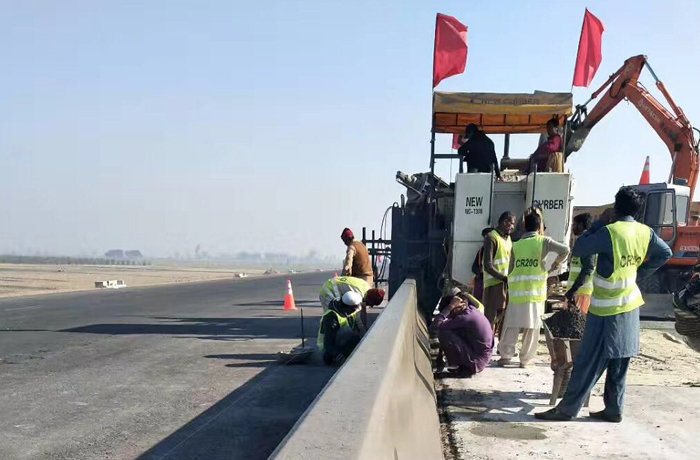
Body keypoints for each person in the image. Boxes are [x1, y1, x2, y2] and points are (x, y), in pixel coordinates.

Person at [535, 186, 672, 422]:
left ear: (616, 207)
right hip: (630, 306)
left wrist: (599, 222)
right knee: (620, 360)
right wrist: (639, 273)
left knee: (588, 360)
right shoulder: (645, 232)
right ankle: (613, 409)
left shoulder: (611, 232)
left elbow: (580, 248)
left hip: (606, 309)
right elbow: (665, 252)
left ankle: (567, 409)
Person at [497, 212, 570, 367]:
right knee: (532, 327)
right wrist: (554, 265)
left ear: (524, 226)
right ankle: (525, 359)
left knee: (511, 325)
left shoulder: (516, 245)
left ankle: (505, 356)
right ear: (539, 227)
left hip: (517, 293)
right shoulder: (543, 241)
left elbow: (511, 270)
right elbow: (565, 250)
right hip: (535, 293)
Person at [431, 290, 493, 377]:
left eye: (450, 313)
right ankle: (462, 365)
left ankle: (464, 368)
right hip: (481, 357)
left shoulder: (465, 318)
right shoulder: (471, 310)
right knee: (449, 329)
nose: (450, 316)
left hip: (477, 361)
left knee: (445, 334)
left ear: (457, 307)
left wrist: (450, 306)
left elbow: (435, 325)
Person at [482, 211, 516, 333]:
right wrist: (504, 278)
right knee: (490, 319)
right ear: (504, 222)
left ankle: (501, 347)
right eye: (511, 223)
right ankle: (487, 346)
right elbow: (488, 266)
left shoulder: (508, 239)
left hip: (505, 285)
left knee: (504, 319)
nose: (512, 227)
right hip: (493, 285)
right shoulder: (491, 238)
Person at [317, 291, 366, 366]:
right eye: (353, 309)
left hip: (341, 342)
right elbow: (328, 341)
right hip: (328, 349)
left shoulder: (349, 312)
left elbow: (357, 330)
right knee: (346, 331)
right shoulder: (331, 316)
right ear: (347, 307)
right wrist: (336, 354)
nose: (354, 311)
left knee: (355, 333)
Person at [318, 275, 385, 326]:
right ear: (370, 298)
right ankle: (327, 339)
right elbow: (358, 317)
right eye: (372, 304)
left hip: (332, 284)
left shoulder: (367, 288)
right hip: (329, 290)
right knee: (333, 316)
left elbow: (363, 313)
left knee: (342, 317)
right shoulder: (358, 295)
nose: (371, 306)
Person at [566, 213, 595, 313]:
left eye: (574, 224)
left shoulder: (587, 243)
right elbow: (575, 271)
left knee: (579, 326)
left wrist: (573, 290)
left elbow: (588, 269)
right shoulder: (582, 242)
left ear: (581, 225)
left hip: (581, 295)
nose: (572, 227)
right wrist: (558, 278)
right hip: (576, 294)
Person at [471, 227, 494, 301]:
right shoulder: (481, 251)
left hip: (495, 282)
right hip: (482, 281)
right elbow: (474, 268)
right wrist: (480, 270)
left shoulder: (500, 248)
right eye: (485, 237)